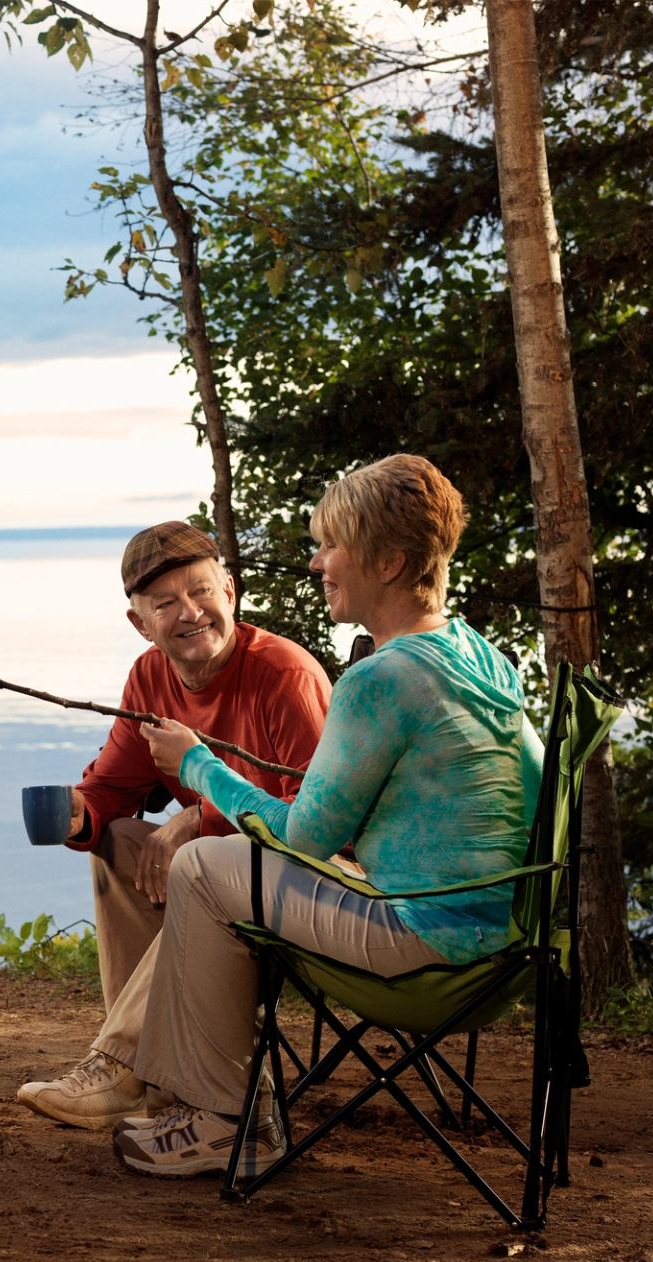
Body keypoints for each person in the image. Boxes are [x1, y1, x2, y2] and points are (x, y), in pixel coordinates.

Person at [104, 454, 544, 1177]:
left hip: (426, 940)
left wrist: (196, 768)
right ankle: (197, 1097)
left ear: (389, 561)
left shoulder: (382, 678)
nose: (318, 563)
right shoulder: (478, 656)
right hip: (504, 940)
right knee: (223, 862)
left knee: (207, 866)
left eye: (332, 544)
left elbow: (305, 836)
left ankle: (223, 1121)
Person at [13, 520, 330, 1128]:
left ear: (230, 592)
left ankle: (119, 1065)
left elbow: (316, 825)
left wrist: (197, 817)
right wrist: (83, 812)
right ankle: (157, 1079)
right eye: (166, 603)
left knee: (197, 861)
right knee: (118, 839)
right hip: (215, 891)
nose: (191, 613)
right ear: (141, 623)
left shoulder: (284, 676)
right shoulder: (150, 678)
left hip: (297, 899)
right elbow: (111, 786)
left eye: (202, 591)